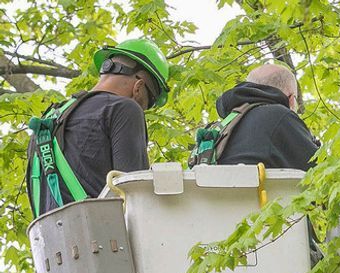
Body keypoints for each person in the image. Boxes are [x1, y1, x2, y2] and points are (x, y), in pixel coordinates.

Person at [26, 38, 170, 217]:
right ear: (138, 88)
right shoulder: (123, 109)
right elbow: (135, 192)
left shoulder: (48, 122)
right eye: (143, 105)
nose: (140, 109)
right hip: (99, 239)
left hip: (50, 240)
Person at [200, 63, 318, 170]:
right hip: (259, 193)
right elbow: (319, 172)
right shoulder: (279, 116)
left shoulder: (222, 127)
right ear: (291, 99)